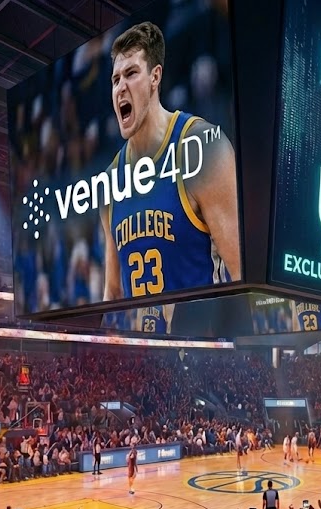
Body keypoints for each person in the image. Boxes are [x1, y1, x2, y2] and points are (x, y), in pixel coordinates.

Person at [100, 21, 241, 302]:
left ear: (155, 77)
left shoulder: (202, 145)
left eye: (131, 74)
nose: (120, 88)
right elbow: (113, 292)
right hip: (140, 343)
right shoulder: (111, 178)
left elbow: (240, 272)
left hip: (198, 340)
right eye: (115, 80)